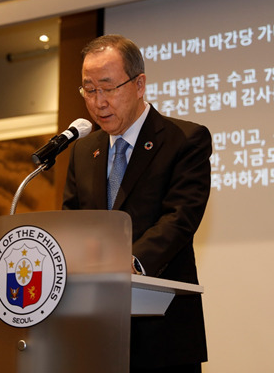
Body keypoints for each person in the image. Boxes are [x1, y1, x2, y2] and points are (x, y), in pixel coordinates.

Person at [62, 34, 211, 373]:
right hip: (96, 333)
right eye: (89, 89)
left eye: (108, 87)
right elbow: (72, 222)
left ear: (139, 84)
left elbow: (180, 217)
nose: (98, 101)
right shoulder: (84, 151)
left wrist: (129, 264)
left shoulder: (184, 140)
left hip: (162, 334)